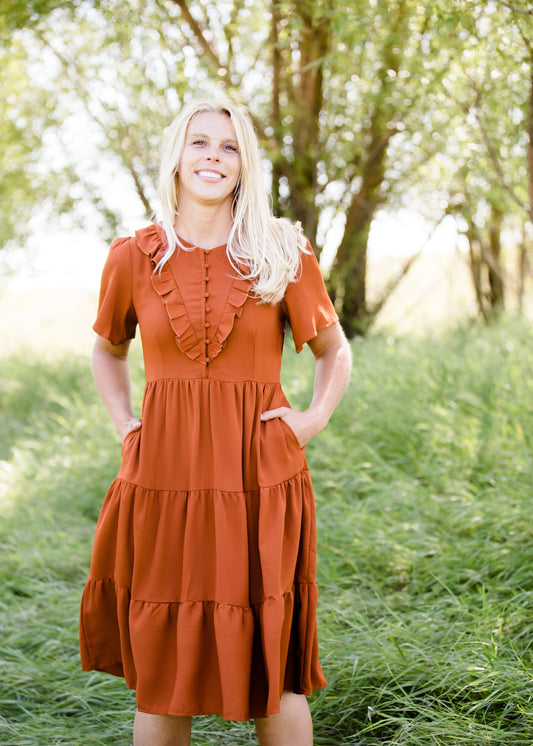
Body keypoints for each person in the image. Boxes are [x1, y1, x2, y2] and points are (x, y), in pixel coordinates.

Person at [79, 98, 352, 746]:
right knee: (163, 670)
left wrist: (310, 420)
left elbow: (334, 350)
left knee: (274, 674)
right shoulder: (131, 256)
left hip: (259, 479)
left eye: (228, 147)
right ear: (175, 156)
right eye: (199, 143)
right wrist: (126, 424)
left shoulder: (280, 250)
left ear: (244, 164)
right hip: (163, 482)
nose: (212, 156)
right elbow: (106, 348)